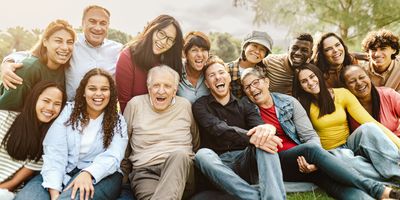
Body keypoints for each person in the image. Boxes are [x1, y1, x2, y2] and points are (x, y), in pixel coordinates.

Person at [241, 67, 400, 199]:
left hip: (304, 160)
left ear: (267, 82)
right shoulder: (246, 110)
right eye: (247, 87)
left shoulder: (289, 102)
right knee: (313, 151)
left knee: (333, 183)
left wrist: (313, 163)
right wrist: (314, 154)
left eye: (256, 83)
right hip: (277, 161)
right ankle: (377, 189)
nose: (253, 89)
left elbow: (309, 135)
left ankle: (383, 196)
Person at [15, 68, 128, 200]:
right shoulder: (68, 112)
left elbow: (113, 156)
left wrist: (88, 173)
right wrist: (54, 192)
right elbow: (55, 152)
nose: (98, 94)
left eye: (104, 89)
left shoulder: (118, 121)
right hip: (61, 170)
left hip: (102, 175)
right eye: (92, 88)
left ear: (111, 93)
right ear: (84, 92)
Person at [193, 55, 286, 200]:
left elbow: (259, 126)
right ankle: (253, 197)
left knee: (264, 141)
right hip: (219, 166)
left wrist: (267, 129)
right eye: (212, 75)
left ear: (229, 77)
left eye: (221, 72)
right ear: (207, 83)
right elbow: (217, 128)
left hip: (245, 161)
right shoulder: (200, 105)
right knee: (202, 155)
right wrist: (252, 137)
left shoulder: (245, 104)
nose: (218, 77)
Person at [292, 63, 400, 182]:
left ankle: (396, 171)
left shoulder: (342, 93)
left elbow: (370, 121)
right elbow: (305, 137)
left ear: (318, 75)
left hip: (350, 143)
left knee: (369, 127)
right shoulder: (300, 104)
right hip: (329, 153)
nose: (311, 83)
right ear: (300, 86)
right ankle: (388, 179)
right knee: (346, 159)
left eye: (312, 77)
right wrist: (318, 161)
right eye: (304, 81)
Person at [1, 5, 123, 100]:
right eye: (92, 21)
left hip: (103, 113)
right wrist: (7, 63)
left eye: (103, 23)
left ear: (108, 26)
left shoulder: (118, 50)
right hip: (69, 112)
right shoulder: (71, 43)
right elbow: (32, 53)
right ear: (83, 23)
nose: (97, 27)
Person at [122, 65, 199, 200]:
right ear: (148, 87)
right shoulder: (135, 105)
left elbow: (196, 141)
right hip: (145, 173)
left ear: (175, 90)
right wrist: (123, 177)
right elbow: (123, 144)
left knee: (179, 155)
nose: (161, 91)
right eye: (156, 85)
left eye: (167, 86)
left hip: (181, 171)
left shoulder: (185, 105)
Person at [0, 81, 66, 197]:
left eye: (57, 104)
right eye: (46, 101)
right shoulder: (4, 118)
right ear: (34, 99)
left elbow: (14, 182)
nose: (50, 108)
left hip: (5, 192)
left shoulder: (48, 142)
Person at [0, 19, 75, 111]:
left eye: (70, 42)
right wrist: (7, 62)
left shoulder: (67, 68)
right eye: (58, 41)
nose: (65, 47)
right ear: (45, 42)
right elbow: (5, 113)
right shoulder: (27, 69)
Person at [115, 14, 183, 112]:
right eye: (161, 34)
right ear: (152, 29)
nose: (163, 42)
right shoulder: (127, 57)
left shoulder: (171, 61)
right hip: (138, 119)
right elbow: (125, 104)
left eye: (170, 39)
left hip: (167, 118)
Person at [340, 64, 400, 136]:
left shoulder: (388, 95)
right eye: (352, 81)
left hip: (395, 142)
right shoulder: (344, 106)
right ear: (345, 87)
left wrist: (395, 136)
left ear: (369, 77)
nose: (359, 83)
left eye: (362, 77)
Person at [226, 30, 273, 98]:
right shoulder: (228, 69)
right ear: (245, 47)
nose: (257, 51)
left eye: (262, 49)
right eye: (254, 46)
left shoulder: (263, 71)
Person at [177, 31, 210, 103]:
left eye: (204, 50)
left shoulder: (210, 71)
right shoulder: (176, 69)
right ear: (185, 54)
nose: (200, 55)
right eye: (194, 50)